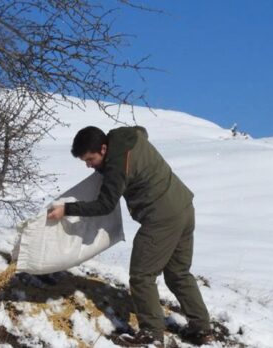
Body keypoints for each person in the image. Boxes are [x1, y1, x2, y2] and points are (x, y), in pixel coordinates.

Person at [47, 125, 213, 347]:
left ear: (104, 148)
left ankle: (152, 336)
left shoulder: (116, 167)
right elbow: (142, 131)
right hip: (183, 206)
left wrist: (66, 210)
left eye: (91, 159)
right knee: (178, 273)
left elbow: (105, 205)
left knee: (142, 275)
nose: (89, 166)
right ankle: (202, 329)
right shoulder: (125, 136)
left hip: (160, 217)